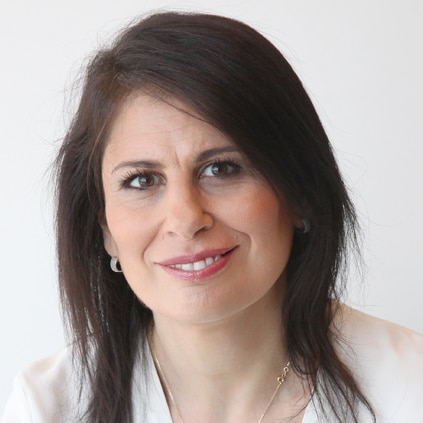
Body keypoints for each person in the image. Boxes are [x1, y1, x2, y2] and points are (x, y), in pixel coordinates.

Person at [2, 11, 423, 423]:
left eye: (221, 169)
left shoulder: (410, 388)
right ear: (106, 228)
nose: (185, 219)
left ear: (298, 193)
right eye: (142, 180)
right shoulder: (46, 408)